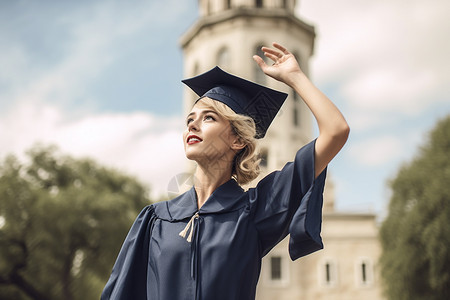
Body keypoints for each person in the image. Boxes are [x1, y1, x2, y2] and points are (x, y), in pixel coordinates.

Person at [101, 42, 349, 300]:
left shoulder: (255, 212)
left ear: (238, 140)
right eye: (190, 120)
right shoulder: (155, 220)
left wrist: (295, 77)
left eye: (209, 117)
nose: (193, 125)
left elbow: (336, 131)